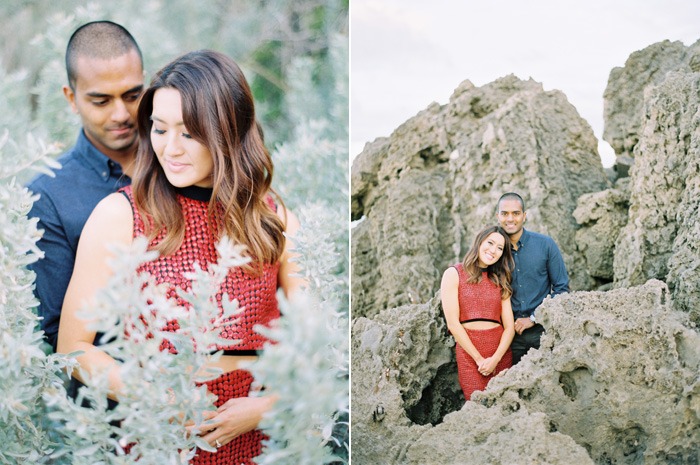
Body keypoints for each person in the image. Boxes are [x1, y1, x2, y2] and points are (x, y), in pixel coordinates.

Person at [57, 49, 304, 464]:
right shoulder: (121, 216)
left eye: (189, 133)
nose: (169, 148)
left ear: (228, 132)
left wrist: (265, 407)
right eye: (159, 128)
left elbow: (315, 346)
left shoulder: (274, 219)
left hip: (262, 443)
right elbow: (74, 348)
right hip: (159, 440)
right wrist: (154, 394)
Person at [27, 20, 144, 351]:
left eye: (132, 95)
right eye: (101, 100)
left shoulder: (180, 162)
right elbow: (58, 329)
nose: (121, 113)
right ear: (71, 98)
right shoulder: (46, 196)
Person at [440, 225, 515, 401]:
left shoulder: (500, 279)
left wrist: (495, 359)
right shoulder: (454, 273)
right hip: (470, 355)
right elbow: (453, 324)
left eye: (499, 248)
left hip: (500, 353)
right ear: (479, 242)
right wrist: (479, 359)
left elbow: (509, 327)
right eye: (490, 243)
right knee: (477, 406)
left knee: (504, 406)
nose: (493, 250)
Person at [496, 192, 569, 365]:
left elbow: (562, 289)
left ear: (524, 216)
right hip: (507, 336)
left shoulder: (545, 245)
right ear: (498, 216)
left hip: (542, 331)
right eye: (504, 213)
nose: (510, 219)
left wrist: (534, 318)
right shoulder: (493, 250)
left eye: (516, 213)